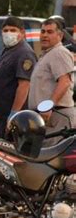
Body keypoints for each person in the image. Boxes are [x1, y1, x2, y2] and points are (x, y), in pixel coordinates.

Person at [28, 18, 75, 146]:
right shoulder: (48, 54)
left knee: (54, 161)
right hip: (47, 117)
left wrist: (48, 106)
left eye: (50, 32)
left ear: (60, 36)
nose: (44, 35)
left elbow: (64, 82)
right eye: (42, 32)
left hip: (57, 116)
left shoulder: (59, 53)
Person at [0, 16, 37, 139]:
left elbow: (24, 85)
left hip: (12, 114)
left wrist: (14, 114)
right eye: (6, 30)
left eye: (13, 30)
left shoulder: (24, 53)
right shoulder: (9, 50)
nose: (9, 33)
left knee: (9, 150)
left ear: (22, 33)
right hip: (1, 113)